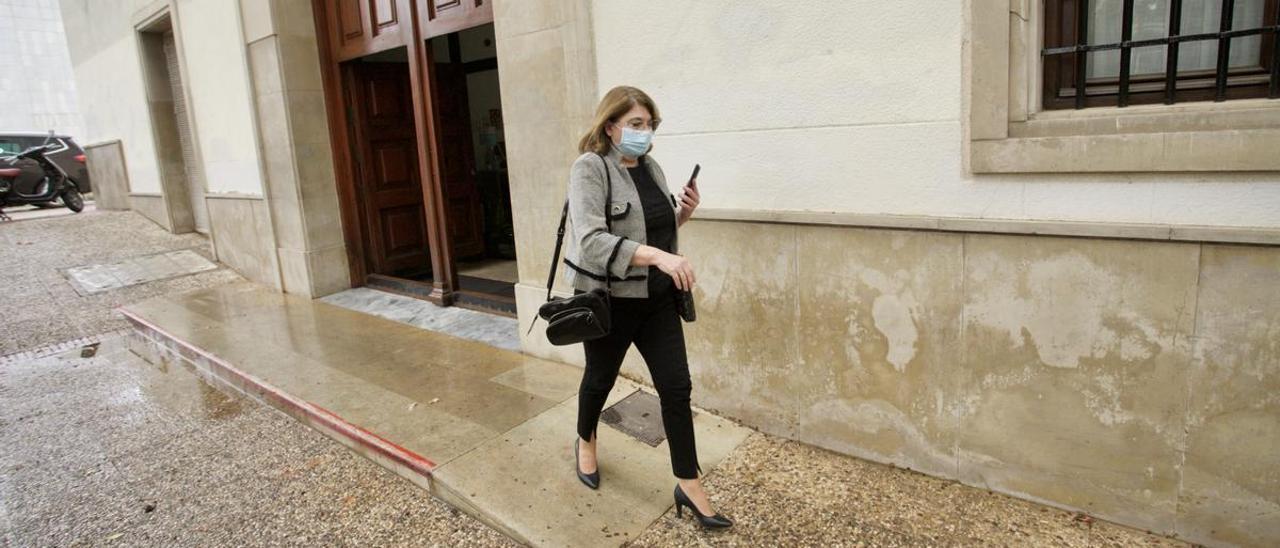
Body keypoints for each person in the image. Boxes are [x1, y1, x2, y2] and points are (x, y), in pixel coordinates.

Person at [562, 85, 731, 529]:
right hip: (611, 303)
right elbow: (592, 240)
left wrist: (682, 217)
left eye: (650, 125)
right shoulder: (590, 169)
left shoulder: (651, 167)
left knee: (677, 389)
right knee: (599, 380)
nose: (644, 132)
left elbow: (652, 233)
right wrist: (660, 257)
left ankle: (688, 482)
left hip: (657, 301)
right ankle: (585, 440)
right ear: (611, 125)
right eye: (636, 124)